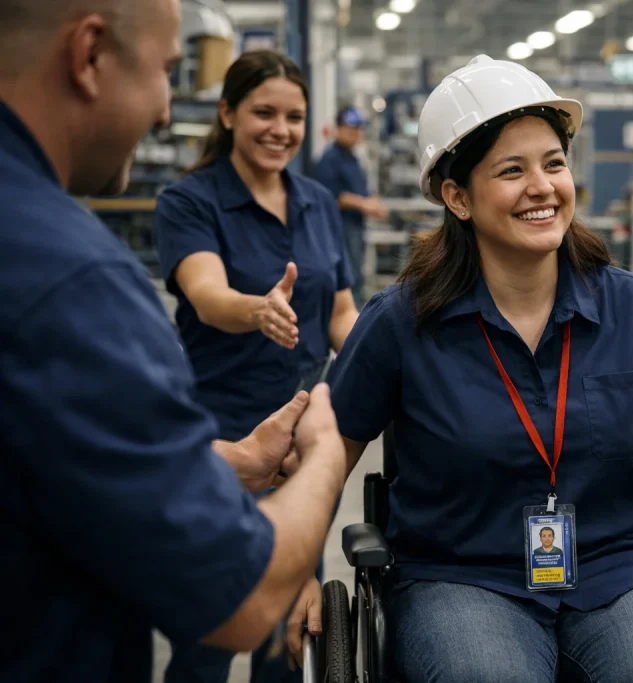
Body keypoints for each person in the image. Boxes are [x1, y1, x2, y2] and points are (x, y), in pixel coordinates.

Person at [327, 55, 633, 682]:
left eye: (553, 164)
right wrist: (293, 577)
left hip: (614, 568)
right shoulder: (402, 322)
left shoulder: (630, 307)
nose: (542, 187)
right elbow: (329, 449)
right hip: (460, 576)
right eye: (512, 170)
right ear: (457, 196)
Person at [0, 1, 348, 681]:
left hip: (265, 428)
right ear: (89, 53)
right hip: (230, 409)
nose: (164, 110)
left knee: (287, 641)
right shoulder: (79, 277)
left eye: (294, 117)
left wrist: (241, 457)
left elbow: (63, 447)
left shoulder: (315, 201)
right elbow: (237, 592)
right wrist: (330, 454)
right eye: (165, 71)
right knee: (214, 636)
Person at [152, 49, 358, 683]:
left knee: (294, 627)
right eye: (264, 112)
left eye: (294, 117)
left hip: (302, 439)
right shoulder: (189, 202)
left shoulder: (318, 200)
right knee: (214, 621)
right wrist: (258, 309)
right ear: (228, 113)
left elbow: (342, 313)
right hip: (224, 436)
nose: (281, 129)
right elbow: (208, 297)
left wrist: (387, 362)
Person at [314, 104, 390, 308]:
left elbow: (360, 191)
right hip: (340, 229)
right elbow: (333, 197)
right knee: (347, 278)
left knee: (356, 275)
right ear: (337, 129)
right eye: (350, 129)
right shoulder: (330, 160)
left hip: (355, 227)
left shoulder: (353, 159)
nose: (356, 134)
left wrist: (372, 202)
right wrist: (365, 204)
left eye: (358, 129)